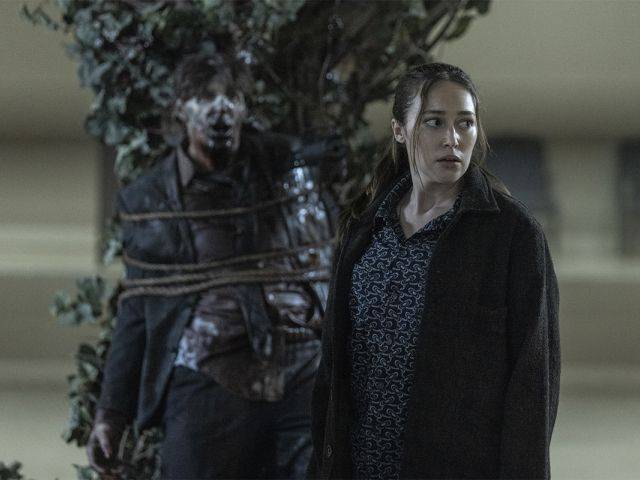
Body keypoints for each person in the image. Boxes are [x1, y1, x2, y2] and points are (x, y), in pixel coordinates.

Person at [86, 52, 342, 479]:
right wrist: (111, 415)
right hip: (211, 379)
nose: (219, 108)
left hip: (300, 372)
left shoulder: (288, 171)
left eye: (231, 97)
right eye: (205, 97)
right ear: (180, 109)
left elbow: (326, 261)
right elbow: (139, 306)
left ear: (244, 108)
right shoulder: (151, 201)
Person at [308, 62, 560, 480]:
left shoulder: (512, 235)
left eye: (465, 123)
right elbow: (333, 373)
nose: (452, 139)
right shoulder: (366, 227)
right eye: (434, 122)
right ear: (399, 130)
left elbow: (533, 386)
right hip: (362, 465)